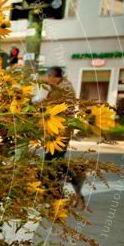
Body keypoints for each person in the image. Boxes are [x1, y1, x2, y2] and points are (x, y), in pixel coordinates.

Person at [41, 66, 86, 208]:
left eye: (48, 76)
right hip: (58, 131)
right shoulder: (63, 86)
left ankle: (55, 194)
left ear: (54, 77)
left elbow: (49, 105)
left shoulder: (60, 89)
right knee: (54, 162)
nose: (46, 79)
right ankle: (56, 192)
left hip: (59, 132)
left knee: (53, 163)